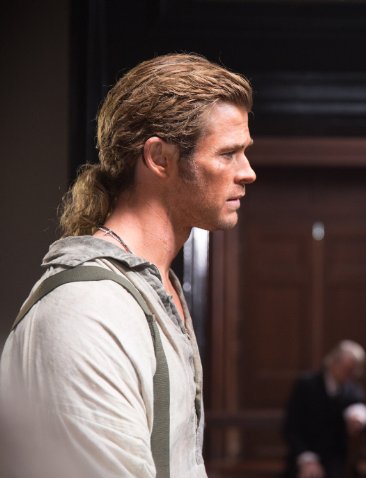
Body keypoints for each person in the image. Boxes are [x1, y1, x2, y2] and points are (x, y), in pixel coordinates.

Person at [0, 53, 256, 477]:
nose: (247, 172)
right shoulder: (87, 309)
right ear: (159, 158)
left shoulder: (152, 288)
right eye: (228, 153)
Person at [283, 340, 366, 478]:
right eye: (346, 369)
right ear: (332, 362)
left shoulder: (353, 389)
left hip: (335, 458)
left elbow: (358, 409)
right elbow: (290, 427)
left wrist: (359, 418)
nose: (349, 374)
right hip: (304, 453)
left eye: (353, 371)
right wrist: (307, 459)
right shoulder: (306, 385)